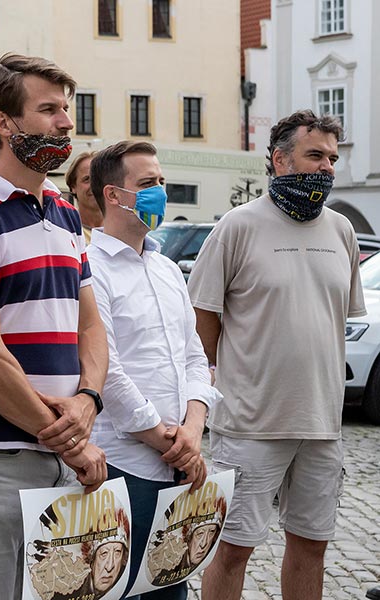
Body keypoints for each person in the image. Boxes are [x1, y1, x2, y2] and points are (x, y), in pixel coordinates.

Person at [0, 53, 109, 600]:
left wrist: (88, 400)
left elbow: (90, 326)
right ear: (4, 122)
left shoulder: (63, 210)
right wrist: (70, 443)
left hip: (61, 450)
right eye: (49, 109)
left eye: (67, 109)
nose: (66, 123)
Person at [188, 109, 365, 600]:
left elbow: (333, 320)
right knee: (231, 548)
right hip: (249, 425)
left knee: (312, 547)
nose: (327, 166)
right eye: (315, 155)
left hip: (322, 424)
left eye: (332, 157)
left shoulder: (342, 231)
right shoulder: (237, 227)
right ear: (279, 159)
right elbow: (203, 319)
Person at [86, 140, 218, 599]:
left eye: (160, 181)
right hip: (126, 464)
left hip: (180, 463)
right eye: (147, 184)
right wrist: (167, 440)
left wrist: (194, 428)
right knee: (115, 589)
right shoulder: (90, 268)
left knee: (170, 590)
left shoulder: (166, 269)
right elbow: (107, 370)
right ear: (113, 195)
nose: (159, 191)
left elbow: (194, 356)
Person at [65, 151, 103, 243]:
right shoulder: (65, 232)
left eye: (100, 179)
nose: (95, 185)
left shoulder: (123, 232)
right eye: (87, 179)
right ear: (73, 187)